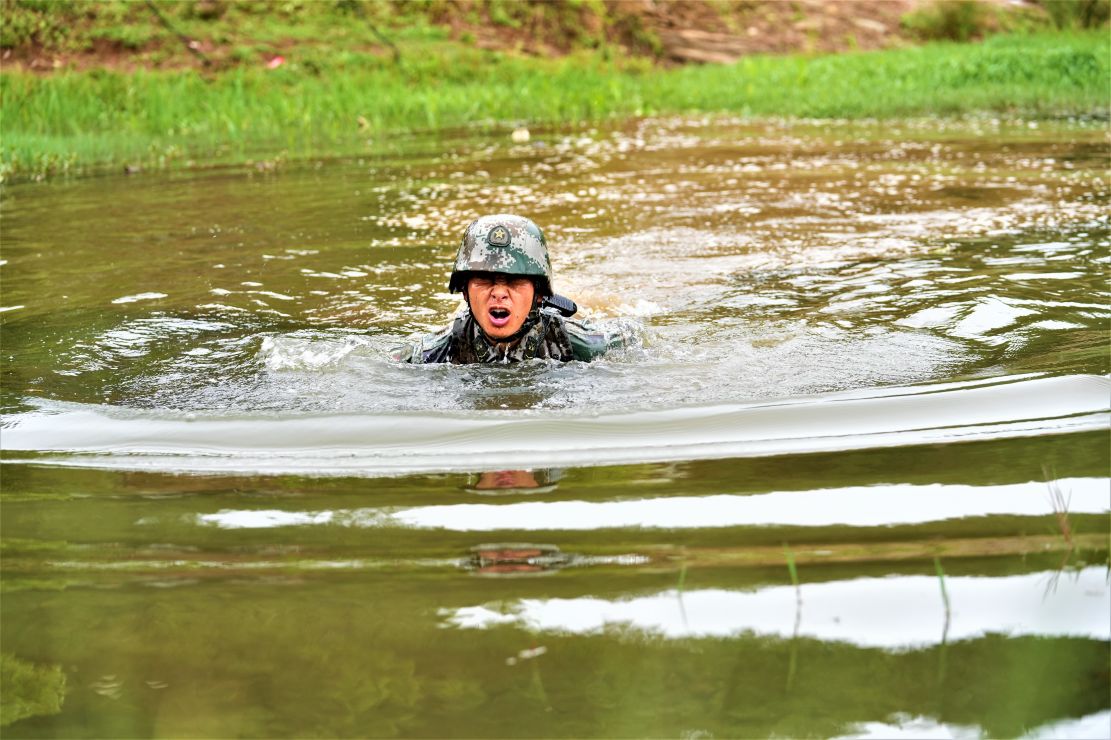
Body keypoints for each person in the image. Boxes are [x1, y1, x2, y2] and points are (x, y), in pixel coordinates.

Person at [392, 214, 628, 364]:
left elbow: (632, 338)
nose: (499, 292)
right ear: (465, 291)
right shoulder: (434, 353)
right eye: (485, 280)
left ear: (540, 294)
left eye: (515, 281)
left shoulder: (577, 344)